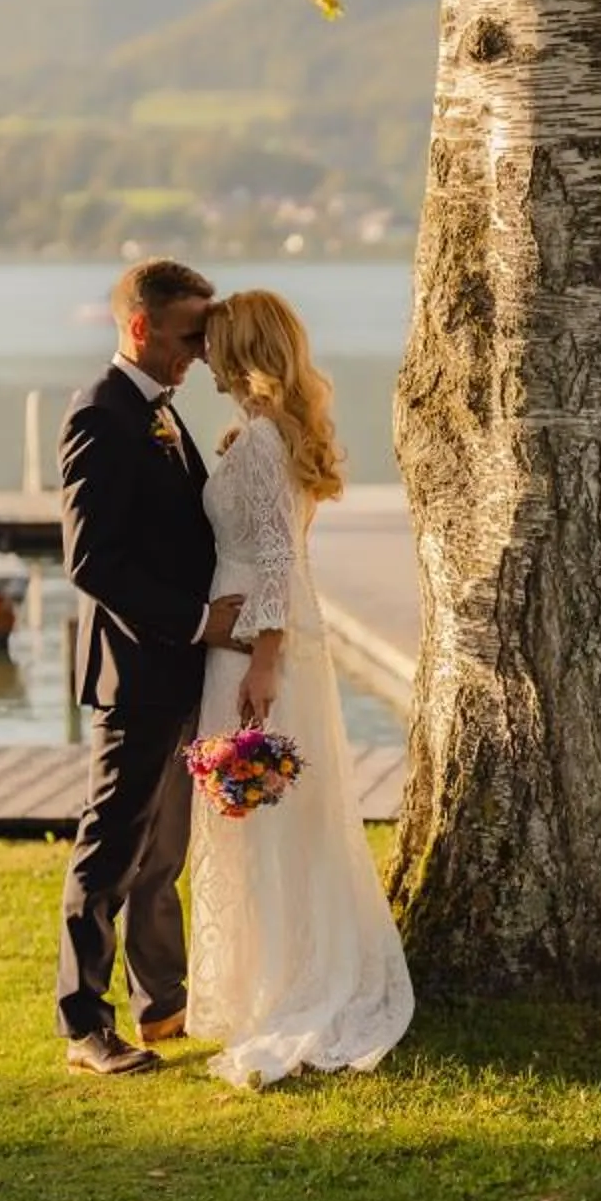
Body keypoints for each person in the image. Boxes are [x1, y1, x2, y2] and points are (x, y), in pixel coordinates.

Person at [185, 289, 415, 1089]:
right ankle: (273, 975)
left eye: (213, 343)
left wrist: (263, 657)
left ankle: (280, 985)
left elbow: (277, 559)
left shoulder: (258, 443)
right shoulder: (276, 436)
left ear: (239, 349)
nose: (202, 357)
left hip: (253, 646)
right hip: (267, 637)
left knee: (255, 818)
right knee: (277, 820)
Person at [55, 257, 245, 1077]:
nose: (200, 351)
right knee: (110, 850)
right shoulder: (101, 415)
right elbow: (92, 561)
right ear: (140, 327)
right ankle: (83, 1026)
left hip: (178, 674)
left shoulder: (163, 412)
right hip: (134, 673)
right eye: (189, 334)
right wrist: (199, 621)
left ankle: (161, 1003)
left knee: (162, 852)